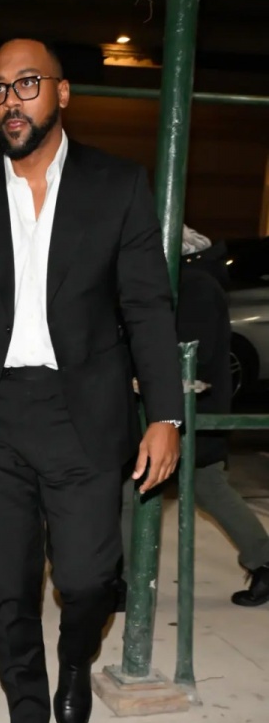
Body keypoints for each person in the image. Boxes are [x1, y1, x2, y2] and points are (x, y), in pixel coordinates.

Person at [0, 38, 183, 723]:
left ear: (62, 93)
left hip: (83, 411)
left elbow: (147, 306)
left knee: (90, 578)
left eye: (27, 84)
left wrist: (164, 413)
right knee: (9, 587)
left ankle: (74, 657)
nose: (11, 101)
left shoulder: (116, 185)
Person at [120, 228, 269, 608]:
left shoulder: (195, 285)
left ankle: (124, 582)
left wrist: (145, 374)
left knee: (138, 487)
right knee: (200, 487)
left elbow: (192, 356)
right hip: (184, 410)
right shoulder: (188, 281)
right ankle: (264, 561)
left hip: (191, 411)